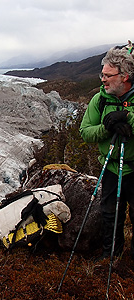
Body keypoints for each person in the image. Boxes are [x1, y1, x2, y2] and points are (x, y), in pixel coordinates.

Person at [80, 43, 134, 260]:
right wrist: (107, 127)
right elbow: (85, 132)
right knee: (110, 215)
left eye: (108, 75)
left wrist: (128, 118)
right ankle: (110, 256)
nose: (102, 79)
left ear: (125, 76)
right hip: (112, 168)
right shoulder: (100, 100)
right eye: (101, 74)